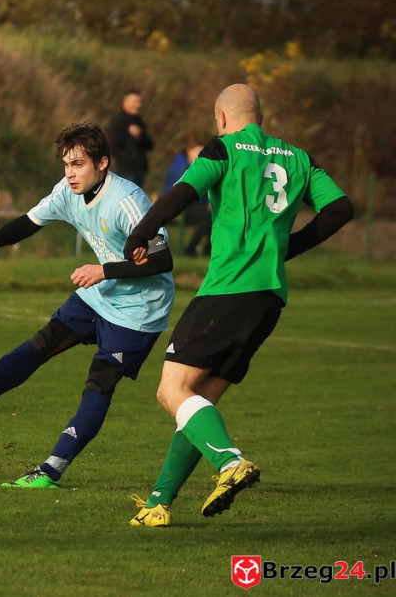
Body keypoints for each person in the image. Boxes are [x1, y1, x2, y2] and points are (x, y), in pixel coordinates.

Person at [123, 84, 353, 527]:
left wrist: (140, 234)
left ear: (223, 119)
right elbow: (340, 208)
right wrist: (288, 246)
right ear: (259, 116)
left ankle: (230, 463)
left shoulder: (223, 148)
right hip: (269, 298)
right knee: (199, 399)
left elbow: (184, 191)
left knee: (171, 391)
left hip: (227, 290)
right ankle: (159, 503)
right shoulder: (299, 157)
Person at [0, 121, 175, 489]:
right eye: (66, 164)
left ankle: (50, 471)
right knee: (42, 343)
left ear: (102, 163)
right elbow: (31, 221)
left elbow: (163, 261)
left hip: (139, 310)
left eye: (78, 164)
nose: (70, 173)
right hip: (98, 293)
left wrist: (104, 270)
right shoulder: (67, 192)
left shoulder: (127, 201)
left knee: (99, 384)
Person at [162, 140, 212, 256]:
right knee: (207, 218)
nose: (201, 153)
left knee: (214, 216)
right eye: (198, 151)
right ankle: (192, 249)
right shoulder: (186, 169)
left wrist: (211, 202)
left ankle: (208, 249)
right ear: (190, 153)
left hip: (201, 205)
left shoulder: (204, 168)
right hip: (185, 205)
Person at [107, 90, 154, 189]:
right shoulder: (117, 121)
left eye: (139, 102)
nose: (138, 105)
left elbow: (149, 145)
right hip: (126, 170)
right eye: (135, 102)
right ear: (125, 102)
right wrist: (127, 160)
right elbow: (113, 145)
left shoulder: (139, 120)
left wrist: (139, 137)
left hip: (140, 169)